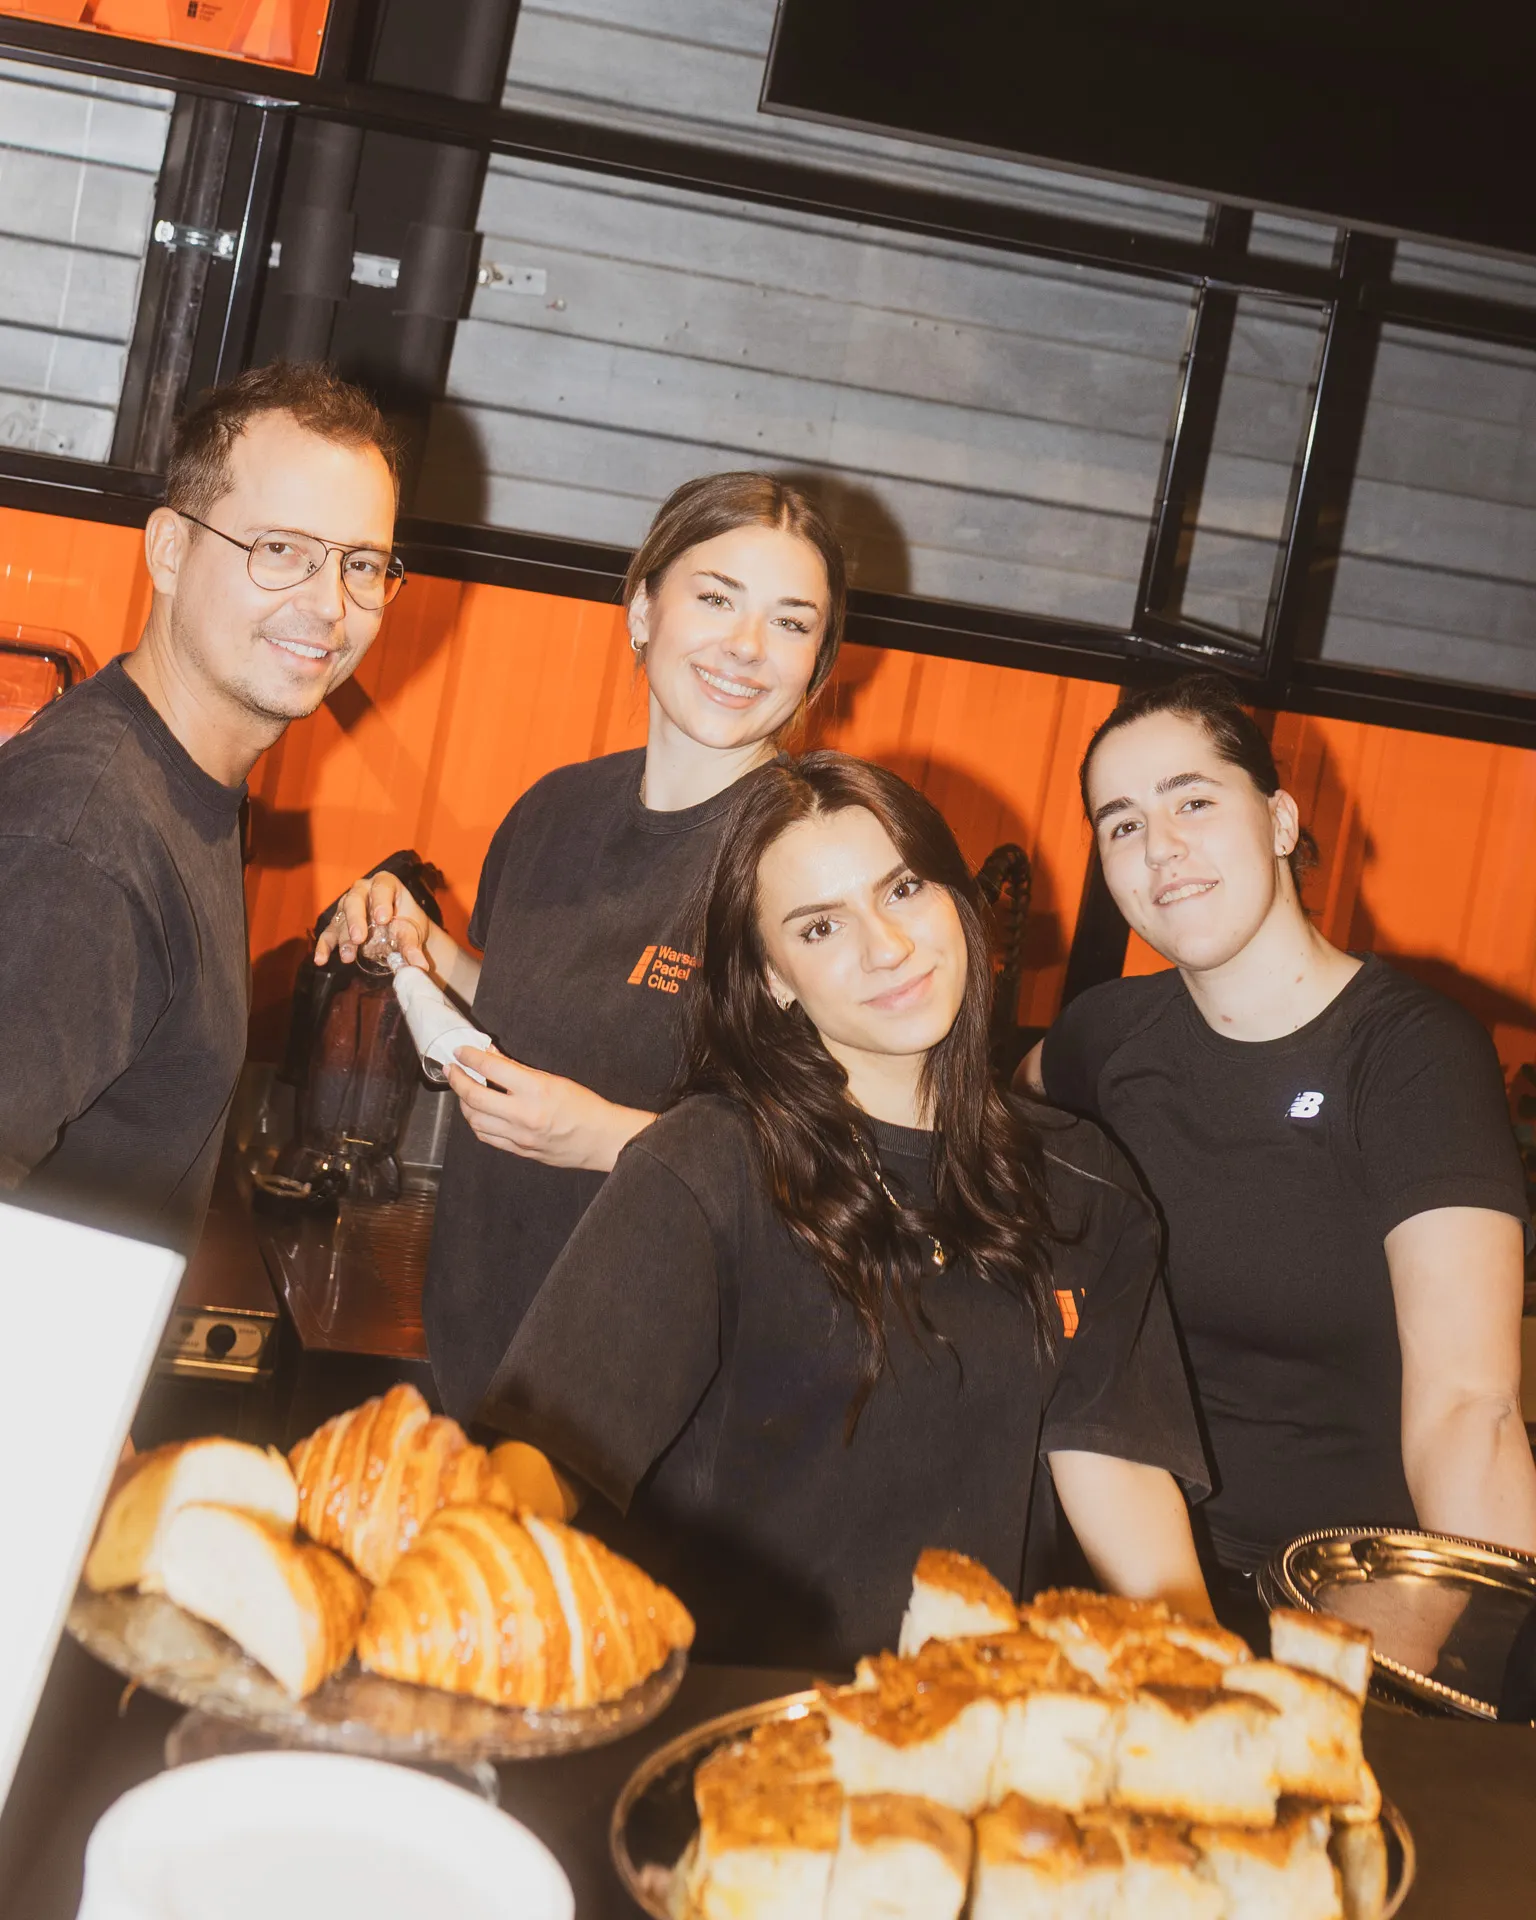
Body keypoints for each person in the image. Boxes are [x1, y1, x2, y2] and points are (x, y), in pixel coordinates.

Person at [471, 753, 1212, 1668]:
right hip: (733, 1729)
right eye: (820, 927)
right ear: (775, 976)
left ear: (957, 899)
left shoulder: (1082, 1180)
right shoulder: (708, 1165)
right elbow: (548, 1453)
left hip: (966, 1732)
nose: (885, 946)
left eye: (902, 890)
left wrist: (1203, 1677)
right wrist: (462, 1587)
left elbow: (1120, 1479)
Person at [316, 473, 848, 1422]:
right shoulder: (555, 811)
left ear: (820, 661)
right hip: (487, 1346)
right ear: (643, 608)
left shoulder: (812, 861)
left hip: (670, 1405)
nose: (746, 647)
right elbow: (549, 1005)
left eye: (791, 622)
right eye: (716, 597)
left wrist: (609, 1139)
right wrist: (428, 953)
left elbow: (853, 1174)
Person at [1019, 674, 1536, 1633]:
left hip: (1350, 1599)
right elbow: (987, 1113)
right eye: (1122, 824)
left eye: (1195, 801)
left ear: (1282, 821)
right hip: (1127, 1574)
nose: (1161, 847)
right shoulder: (1106, 1037)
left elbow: (1473, 1407)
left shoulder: (1410, 1055)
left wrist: (1486, 1652)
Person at [0, 362, 401, 1252]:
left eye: (362, 563)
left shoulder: (183, 791)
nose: (329, 605)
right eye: (281, 549)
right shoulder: (84, 843)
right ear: (170, 551)